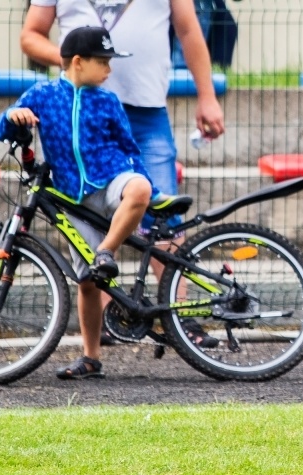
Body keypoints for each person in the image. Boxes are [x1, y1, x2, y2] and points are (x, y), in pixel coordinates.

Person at [20, 0, 225, 350]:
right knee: (88, 212)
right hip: (83, 112)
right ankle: (104, 326)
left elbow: (189, 31)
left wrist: (207, 95)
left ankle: (181, 319)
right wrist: (74, 64)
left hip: (148, 111)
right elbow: (31, 35)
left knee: (164, 217)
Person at [0, 26, 183, 380]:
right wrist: (12, 118)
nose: (110, 70)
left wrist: (148, 189)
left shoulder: (107, 100)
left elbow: (129, 149)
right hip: (73, 197)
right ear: (78, 62)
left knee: (139, 188)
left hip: (112, 183)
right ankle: (91, 357)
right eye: (104, 62)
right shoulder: (44, 95)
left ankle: (107, 251)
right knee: (87, 283)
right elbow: (1, 127)